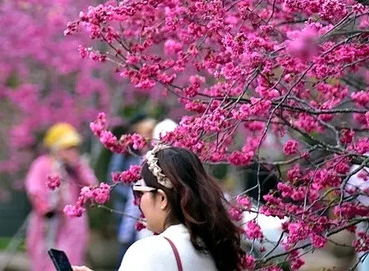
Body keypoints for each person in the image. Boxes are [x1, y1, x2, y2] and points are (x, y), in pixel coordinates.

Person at [73, 145, 244, 271]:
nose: (138, 202)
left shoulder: (148, 251)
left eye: (140, 192)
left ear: (162, 199)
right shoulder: (214, 247)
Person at [25, 122, 98, 271]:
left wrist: (78, 167)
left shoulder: (78, 168)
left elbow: (92, 186)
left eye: (74, 148)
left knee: (71, 260)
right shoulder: (42, 164)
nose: (72, 152)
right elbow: (34, 189)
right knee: (43, 258)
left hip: (72, 224)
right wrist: (44, 208)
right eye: (67, 148)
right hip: (47, 222)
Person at [107, 114, 156, 263]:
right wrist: (132, 194)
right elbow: (113, 176)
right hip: (126, 208)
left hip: (145, 206)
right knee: (127, 244)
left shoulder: (151, 152)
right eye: (147, 131)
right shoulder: (127, 151)